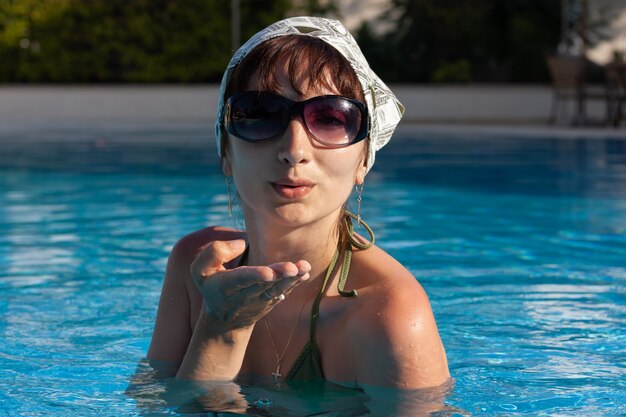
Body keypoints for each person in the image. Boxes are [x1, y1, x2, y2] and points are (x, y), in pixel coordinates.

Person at [147, 16, 449, 391]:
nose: (294, 150)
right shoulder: (194, 263)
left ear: (364, 159)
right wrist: (220, 329)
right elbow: (149, 404)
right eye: (259, 114)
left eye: (330, 118)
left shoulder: (390, 316)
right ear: (225, 150)